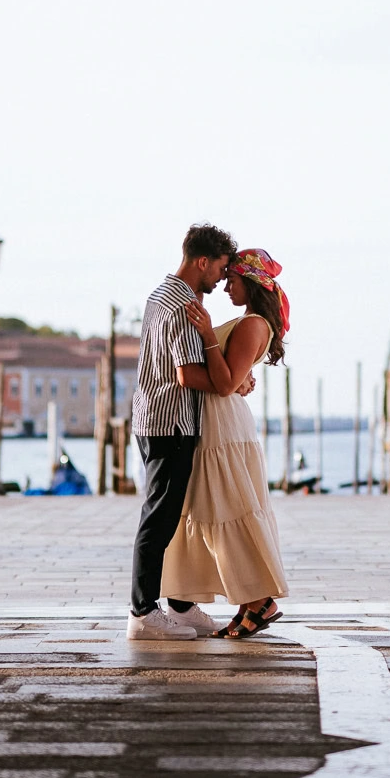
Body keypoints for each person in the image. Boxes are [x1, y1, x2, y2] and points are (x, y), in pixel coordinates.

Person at [162, 248, 292, 638]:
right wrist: (236, 376)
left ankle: (259, 600)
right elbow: (233, 379)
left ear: (250, 283)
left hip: (224, 428)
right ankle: (249, 601)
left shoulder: (253, 323)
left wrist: (207, 335)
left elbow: (225, 382)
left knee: (230, 507)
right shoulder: (247, 321)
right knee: (219, 508)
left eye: (232, 280)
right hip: (216, 423)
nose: (226, 286)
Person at [125, 223, 243, 640]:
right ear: (202, 261)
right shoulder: (183, 306)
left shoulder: (162, 293)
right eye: (221, 269)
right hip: (171, 422)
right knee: (159, 517)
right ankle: (142, 613)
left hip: (152, 418)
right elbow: (188, 373)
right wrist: (232, 382)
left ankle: (177, 603)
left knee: (174, 514)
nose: (222, 278)